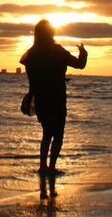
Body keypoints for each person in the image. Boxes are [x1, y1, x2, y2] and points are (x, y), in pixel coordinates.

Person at [20, 20, 87, 174]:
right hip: (57, 97)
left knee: (46, 134)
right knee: (58, 134)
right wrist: (83, 53)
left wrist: (31, 94)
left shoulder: (32, 53)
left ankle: (43, 166)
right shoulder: (58, 51)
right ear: (51, 32)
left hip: (42, 98)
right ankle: (51, 167)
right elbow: (79, 65)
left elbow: (32, 80)